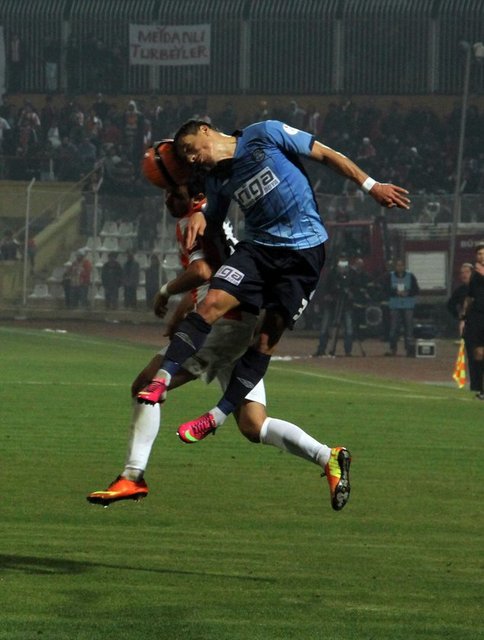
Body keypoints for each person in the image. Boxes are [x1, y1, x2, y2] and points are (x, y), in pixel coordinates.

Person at [136, 120, 409, 494]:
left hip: (304, 253)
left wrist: (371, 185)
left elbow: (325, 154)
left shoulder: (264, 134)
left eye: (189, 149)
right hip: (259, 251)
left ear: (205, 131)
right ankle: (162, 382)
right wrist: (200, 213)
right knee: (212, 303)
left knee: (265, 343)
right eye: (185, 157)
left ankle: (215, 418)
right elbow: (212, 222)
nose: (192, 158)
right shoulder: (217, 180)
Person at [88, 174, 351, 511]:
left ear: (195, 195)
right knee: (253, 424)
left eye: (174, 193)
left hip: (224, 326)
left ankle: (133, 474)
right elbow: (217, 272)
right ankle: (328, 457)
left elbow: (202, 272)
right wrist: (184, 310)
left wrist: (166, 292)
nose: (168, 200)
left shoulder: (194, 221)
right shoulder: (212, 216)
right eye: (166, 193)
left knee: (146, 385)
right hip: (237, 320)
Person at [313, 255, 358, 357]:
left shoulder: (352, 274)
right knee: (325, 326)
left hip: (346, 304)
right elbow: (326, 287)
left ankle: (348, 351)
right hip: (331, 304)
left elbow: (355, 288)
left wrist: (350, 293)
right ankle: (321, 349)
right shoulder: (332, 273)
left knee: (349, 327)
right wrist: (328, 295)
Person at [447, 263, 481, 394]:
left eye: (466, 272)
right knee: (472, 355)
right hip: (470, 326)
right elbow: (450, 305)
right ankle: (476, 385)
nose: (464, 275)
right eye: (462, 273)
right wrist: (459, 317)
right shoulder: (461, 290)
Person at [460, 244, 484, 400]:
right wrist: (463, 317)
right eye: (479, 254)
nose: (481, 256)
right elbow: (469, 297)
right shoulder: (475, 276)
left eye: (483, 253)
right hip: (477, 317)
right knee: (478, 353)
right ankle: (480, 389)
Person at [383, 259, 419, 357]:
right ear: (395, 267)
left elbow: (416, 289)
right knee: (394, 327)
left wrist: (407, 293)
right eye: (398, 265)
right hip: (395, 305)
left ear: (404, 266)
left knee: (409, 327)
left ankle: (409, 349)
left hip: (408, 305)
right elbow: (385, 289)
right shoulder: (390, 276)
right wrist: (396, 292)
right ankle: (393, 348)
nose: (400, 267)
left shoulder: (410, 276)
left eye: (401, 265)